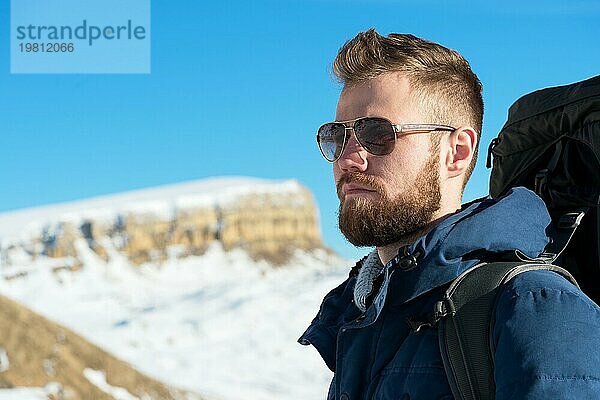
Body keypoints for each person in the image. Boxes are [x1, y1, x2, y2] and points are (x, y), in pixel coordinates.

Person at [299, 29, 600, 400]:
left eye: (377, 134)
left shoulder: (532, 307)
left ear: (456, 152)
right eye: (337, 136)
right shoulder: (359, 315)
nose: (348, 158)